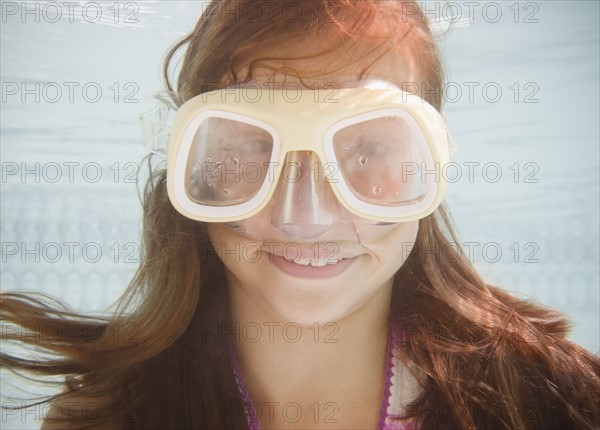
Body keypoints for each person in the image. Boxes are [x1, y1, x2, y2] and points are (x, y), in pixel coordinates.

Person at [2, 1, 599, 429]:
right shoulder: (105, 418)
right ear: (194, 167)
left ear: (430, 168)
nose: (304, 218)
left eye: (366, 151)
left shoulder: (555, 402)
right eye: (252, 149)